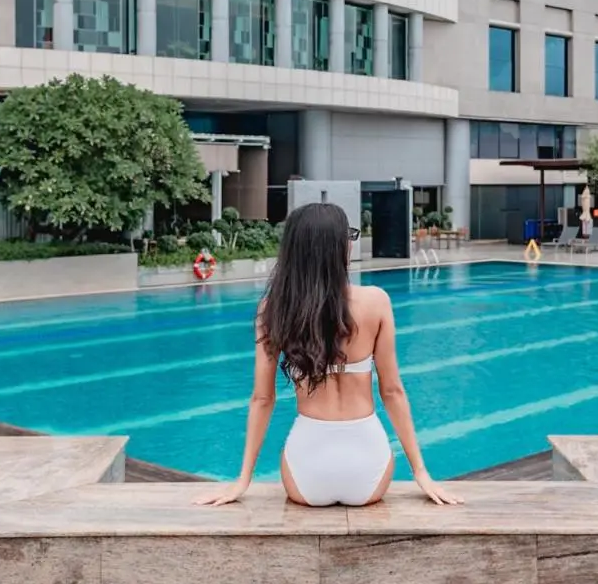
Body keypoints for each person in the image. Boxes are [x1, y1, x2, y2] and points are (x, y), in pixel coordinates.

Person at [195, 202, 460, 508]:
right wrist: (422, 472)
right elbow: (393, 391)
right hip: (368, 469)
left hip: (306, 472)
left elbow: (262, 399)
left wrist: (242, 479)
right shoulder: (376, 302)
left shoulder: (274, 309)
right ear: (337, 247)